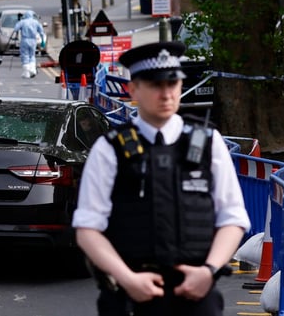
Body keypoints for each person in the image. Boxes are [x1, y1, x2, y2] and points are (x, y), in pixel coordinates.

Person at [73, 41, 250, 316]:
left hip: (196, 295)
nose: (166, 93)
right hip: (130, 297)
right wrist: (128, 279)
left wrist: (208, 271)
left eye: (173, 84)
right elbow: (87, 228)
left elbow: (233, 217)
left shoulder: (208, 143)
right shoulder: (109, 149)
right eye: (156, 85)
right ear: (133, 89)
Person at [12, 11, 46, 78]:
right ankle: (32, 69)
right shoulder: (36, 22)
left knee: (25, 55)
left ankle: (26, 73)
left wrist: (19, 21)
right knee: (32, 55)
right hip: (33, 40)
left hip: (25, 40)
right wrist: (42, 42)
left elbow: (15, 29)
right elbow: (41, 32)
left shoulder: (23, 22)